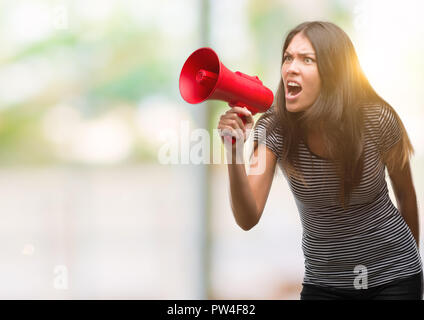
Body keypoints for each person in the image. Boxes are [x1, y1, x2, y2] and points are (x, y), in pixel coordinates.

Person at [217, 21, 423, 300]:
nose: (291, 67)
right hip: (324, 283)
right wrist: (233, 151)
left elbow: (406, 196)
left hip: (394, 278)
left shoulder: (378, 120)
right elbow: (247, 217)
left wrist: (409, 271)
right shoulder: (274, 129)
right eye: (288, 57)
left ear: (334, 72)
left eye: (307, 59)